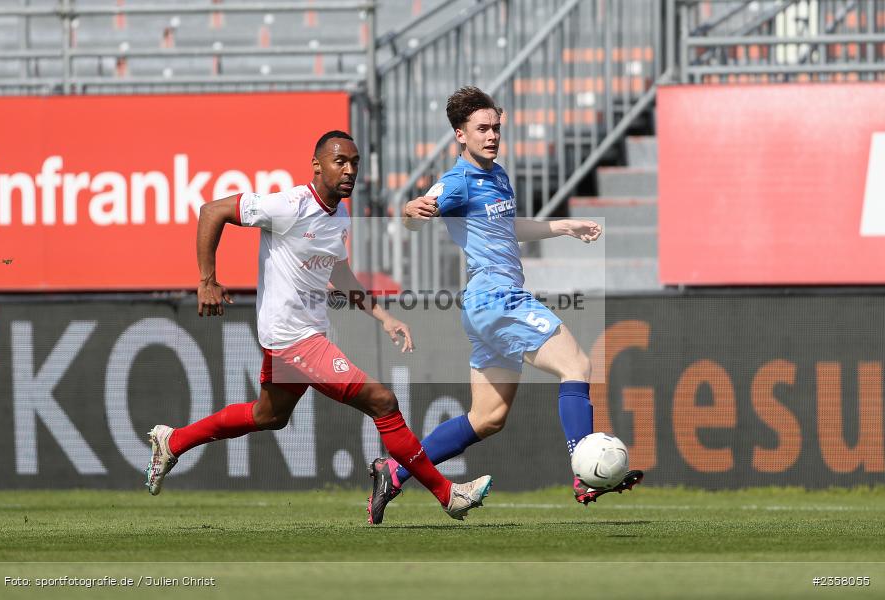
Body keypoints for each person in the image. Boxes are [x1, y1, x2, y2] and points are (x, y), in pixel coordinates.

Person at [144, 130, 493, 524]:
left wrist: (384, 317)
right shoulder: (288, 205)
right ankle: (447, 495)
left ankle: (173, 441)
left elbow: (340, 273)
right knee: (383, 402)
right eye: (339, 161)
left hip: (304, 335)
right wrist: (207, 280)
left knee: (268, 416)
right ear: (316, 165)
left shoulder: (339, 216)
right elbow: (212, 211)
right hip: (292, 339)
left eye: (354, 163)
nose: (349, 170)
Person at [367, 88, 642, 524]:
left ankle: (395, 472)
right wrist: (409, 211)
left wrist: (562, 227)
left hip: (485, 307)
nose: (492, 135)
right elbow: (417, 216)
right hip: (498, 299)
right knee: (577, 365)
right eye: (482, 129)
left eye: (496, 127)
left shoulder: (497, 175)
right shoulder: (457, 181)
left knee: (487, 418)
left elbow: (507, 227)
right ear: (460, 135)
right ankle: (584, 473)